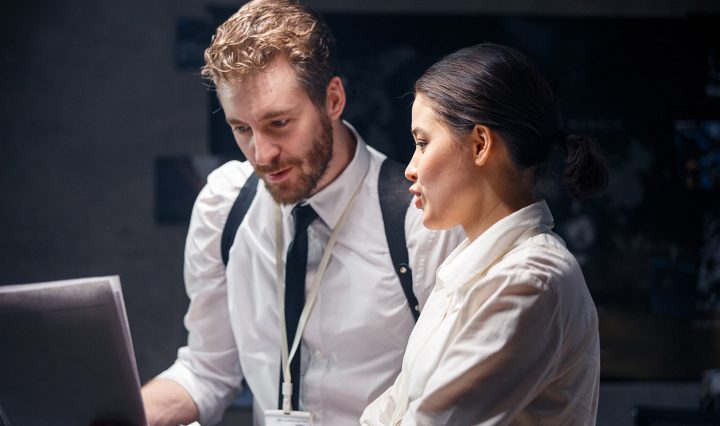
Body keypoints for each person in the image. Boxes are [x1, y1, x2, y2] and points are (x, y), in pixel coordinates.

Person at [140, 1, 463, 425]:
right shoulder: (224, 206)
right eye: (242, 128)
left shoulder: (421, 218)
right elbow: (207, 371)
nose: (262, 153)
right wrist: (123, 414)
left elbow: (453, 401)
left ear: (333, 99)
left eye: (279, 123)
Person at [360, 43, 607, 425]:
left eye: (423, 143)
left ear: (480, 144)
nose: (411, 168)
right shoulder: (477, 267)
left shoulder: (531, 280)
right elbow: (393, 409)